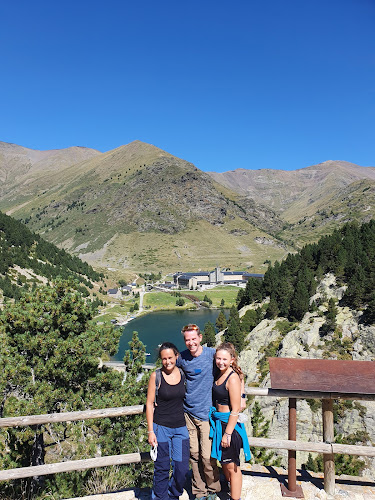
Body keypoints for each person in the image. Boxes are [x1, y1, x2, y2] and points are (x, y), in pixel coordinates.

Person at [176, 324, 221, 500]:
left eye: (194, 338)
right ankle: (199, 491)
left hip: (206, 415)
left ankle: (214, 489)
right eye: (187, 340)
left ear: (200, 338)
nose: (191, 342)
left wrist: (240, 394)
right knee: (193, 455)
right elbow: (168, 370)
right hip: (188, 414)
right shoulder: (182, 357)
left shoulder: (211, 354)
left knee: (207, 456)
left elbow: (231, 366)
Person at [146, 342, 190, 500]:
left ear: (176, 356)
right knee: (162, 468)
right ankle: (159, 497)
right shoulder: (156, 376)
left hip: (180, 427)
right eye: (164, 359)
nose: (167, 361)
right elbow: (150, 403)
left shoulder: (183, 373)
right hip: (161, 427)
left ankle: (173, 494)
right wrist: (150, 431)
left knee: (182, 467)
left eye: (170, 357)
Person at [209, 342, 251, 500]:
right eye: (218, 358)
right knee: (225, 463)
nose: (220, 362)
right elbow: (241, 377)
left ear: (232, 360)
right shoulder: (221, 373)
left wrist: (227, 434)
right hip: (220, 422)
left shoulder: (231, 378)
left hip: (229, 425)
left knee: (233, 466)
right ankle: (230, 490)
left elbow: (236, 409)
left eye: (224, 359)